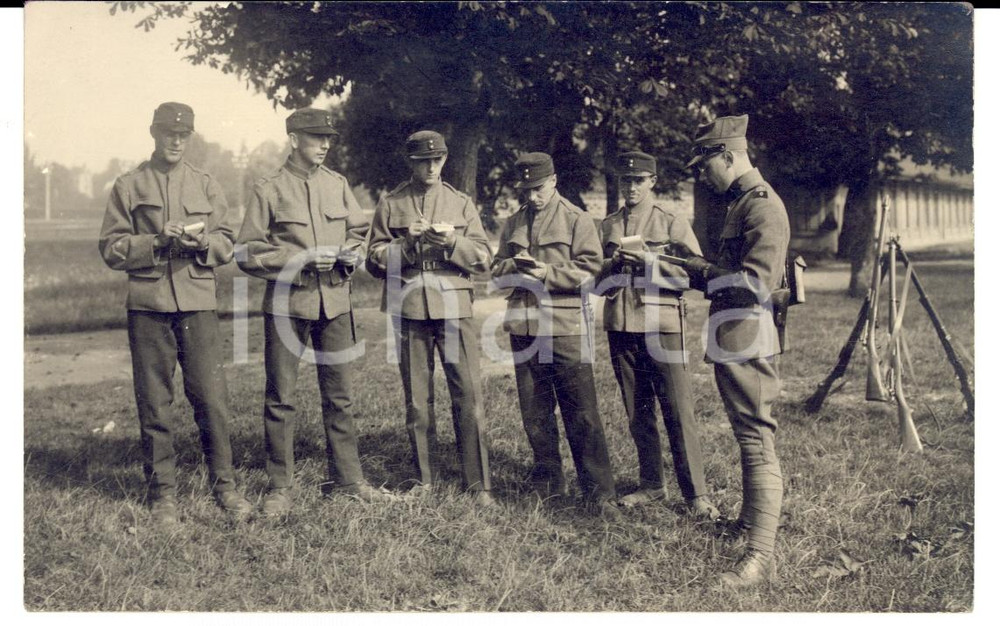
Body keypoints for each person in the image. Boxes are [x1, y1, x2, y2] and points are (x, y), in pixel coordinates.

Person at [98, 101, 252, 527]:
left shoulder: (205, 184)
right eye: (168, 133)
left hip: (198, 304)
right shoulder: (129, 184)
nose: (176, 140)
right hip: (148, 306)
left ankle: (225, 487)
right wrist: (154, 241)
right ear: (153, 133)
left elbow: (226, 243)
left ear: (191, 137)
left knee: (212, 400)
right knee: (155, 402)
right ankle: (162, 494)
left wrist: (202, 244)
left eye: (183, 135)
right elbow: (111, 247)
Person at [236, 108, 386, 515]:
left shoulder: (337, 185)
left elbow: (358, 232)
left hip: (335, 302)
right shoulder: (269, 189)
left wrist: (347, 257)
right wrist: (300, 259)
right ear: (294, 139)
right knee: (281, 398)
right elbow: (246, 252)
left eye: (328, 139)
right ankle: (280, 486)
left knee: (340, 396)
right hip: (288, 304)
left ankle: (349, 479)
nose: (325, 145)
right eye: (316, 137)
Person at [680, 114, 790, 586]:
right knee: (746, 435)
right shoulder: (740, 202)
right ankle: (748, 526)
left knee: (756, 439)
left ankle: (759, 557)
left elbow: (754, 283)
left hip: (748, 333)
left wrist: (700, 272)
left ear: (728, 156)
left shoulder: (762, 206)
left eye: (707, 164)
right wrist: (690, 265)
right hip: (733, 333)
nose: (703, 174)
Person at [365, 130, 494, 506]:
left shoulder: (460, 202)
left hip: (454, 307)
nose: (432, 167)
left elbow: (484, 259)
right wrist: (405, 245)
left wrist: (453, 243)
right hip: (409, 308)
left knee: (468, 394)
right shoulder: (391, 204)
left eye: (437, 160)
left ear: (445, 159)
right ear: (411, 162)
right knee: (418, 400)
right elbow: (373, 260)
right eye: (424, 160)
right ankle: (425, 479)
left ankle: (479, 483)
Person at [491, 152, 620, 520]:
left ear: (553, 181)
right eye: (527, 190)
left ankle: (599, 493)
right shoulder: (514, 221)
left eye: (538, 188)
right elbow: (497, 273)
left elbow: (590, 271)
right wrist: (511, 266)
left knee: (581, 412)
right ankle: (548, 479)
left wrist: (547, 272)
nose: (532, 197)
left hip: (564, 327)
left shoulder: (576, 219)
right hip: (524, 326)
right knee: (535, 411)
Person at [596, 150, 720, 519]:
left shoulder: (671, 221)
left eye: (638, 180)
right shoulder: (608, 225)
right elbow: (596, 283)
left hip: (662, 323)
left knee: (677, 410)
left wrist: (652, 263)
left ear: (652, 182)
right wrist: (613, 264)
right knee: (638, 411)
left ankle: (695, 493)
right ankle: (652, 484)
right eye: (625, 181)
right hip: (621, 322)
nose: (631, 187)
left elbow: (692, 276)